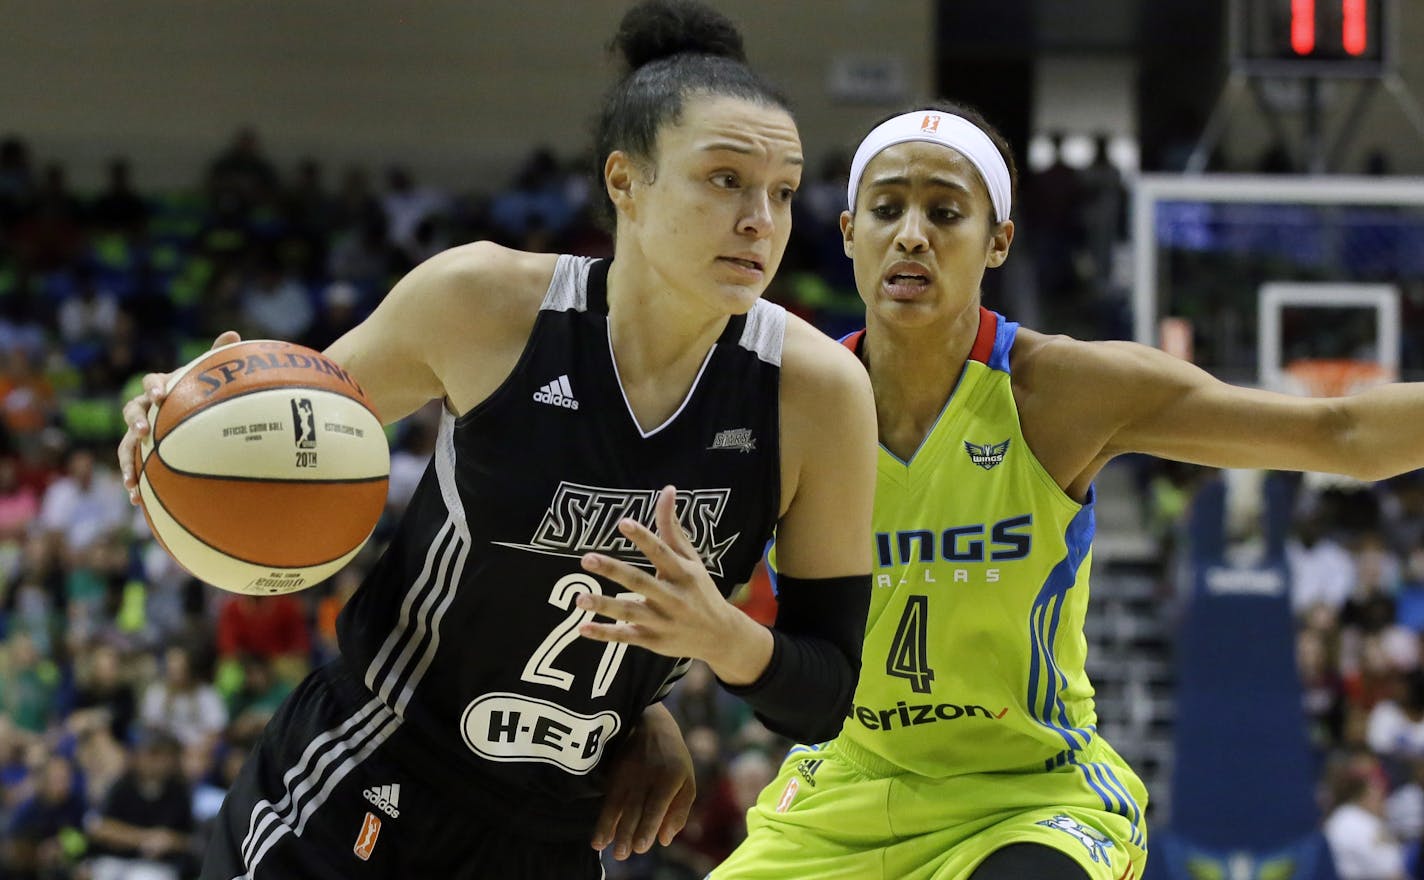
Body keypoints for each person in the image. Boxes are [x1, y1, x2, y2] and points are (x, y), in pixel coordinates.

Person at [114, 2, 876, 878]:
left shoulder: (816, 392)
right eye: (725, 180)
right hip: (371, 775)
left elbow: (826, 693)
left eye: (783, 191)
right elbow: (290, 425)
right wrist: (174, 421)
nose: (761, 221)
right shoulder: (485, 305)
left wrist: (716, 640)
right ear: (625, 182)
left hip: (554, 830)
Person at [712, 101, 1424, 880]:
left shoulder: (1061, 394)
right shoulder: (782, 403)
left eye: (945, 212)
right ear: (850, 233)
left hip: (1028, 797)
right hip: (843, 791)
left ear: (998, 242)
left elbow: (1341, 435)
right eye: (887, 210)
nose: (911, 233)